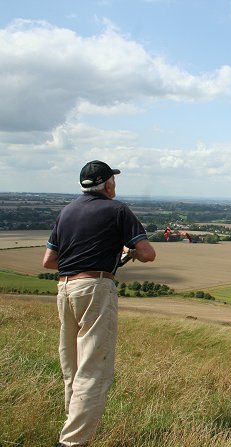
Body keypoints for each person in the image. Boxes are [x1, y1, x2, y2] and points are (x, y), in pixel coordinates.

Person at [43, 160, 156, 446]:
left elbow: (48, 261)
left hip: (64, 289)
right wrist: (128, 249)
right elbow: (147, 253)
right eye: (113, 181)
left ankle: (71, 424)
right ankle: (72, 442)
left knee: (73, 366)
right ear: (108, 184)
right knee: (94, 370)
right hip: (95, 288)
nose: (115, 185)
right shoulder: (118, 210)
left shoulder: (66, 212)